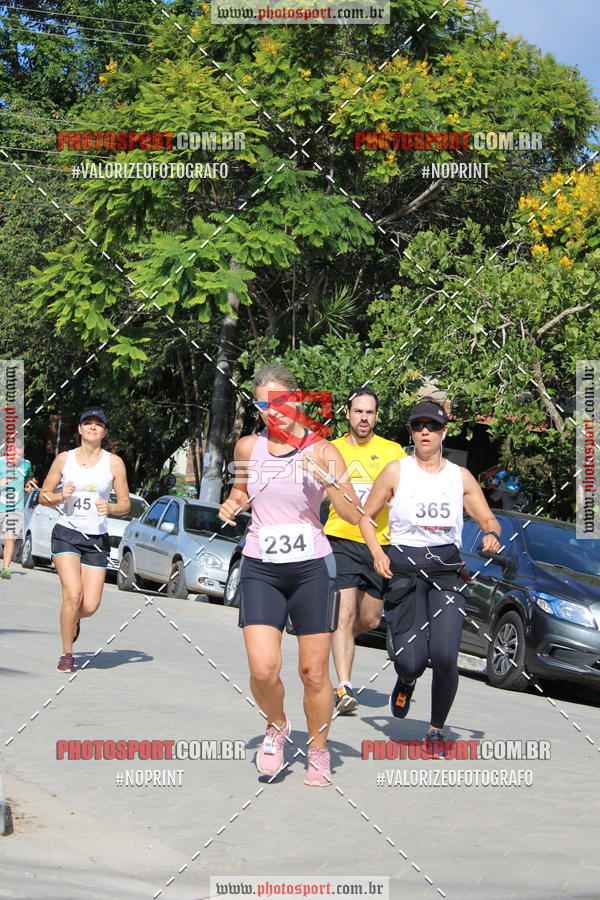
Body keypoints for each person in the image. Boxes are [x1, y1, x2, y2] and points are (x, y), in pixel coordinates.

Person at [218, 365, 360, 787]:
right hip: (261, 563)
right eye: (263, 404)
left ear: (297, 399)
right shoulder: (248, 447)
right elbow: (240, 492)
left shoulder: (324, 450)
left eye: (279, 402)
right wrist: (232, 505)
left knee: (313, 674)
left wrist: (329, 483)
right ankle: (277, 726)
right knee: (263, 669)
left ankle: (318, 749)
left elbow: (353, 515)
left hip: (311, 568)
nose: (271, 413)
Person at [359, 397, 501, 754]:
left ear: (444, 432)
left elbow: (488, 518)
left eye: (432, 426)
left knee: (443, 654)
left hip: (446, 572)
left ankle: (435, 730)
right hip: (405, 570)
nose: (425, 431)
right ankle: (406, 679)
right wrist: (377, 552)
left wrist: (491, 534)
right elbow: (365, 516)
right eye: (418, 425)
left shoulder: (460, 477)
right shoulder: (396, 471)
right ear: (411, 432)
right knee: (411, 659)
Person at [324, 387, 405, 714]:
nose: (363, 418)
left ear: (376, 416)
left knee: (369, 620)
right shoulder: (332, 449)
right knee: (343, 614)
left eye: (369, 412)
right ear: (347, 413)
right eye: (358, 411)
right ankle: (344, 687)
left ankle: (338, 638)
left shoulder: (392, 451)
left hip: (379, 545)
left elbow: (402, 496)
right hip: (340, 539)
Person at [39, 408, 130, 672]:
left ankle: (72, 621)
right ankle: (67, 654)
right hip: (66, 533)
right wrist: (60, 496)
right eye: (87, 423)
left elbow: (125, 504)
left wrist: (111, 508)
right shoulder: (63, 460)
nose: (92, 428)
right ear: (79, 429)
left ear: (104, 431)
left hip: (96, 539)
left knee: (89, 605)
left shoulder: (114, 463)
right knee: (73, 595)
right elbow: (44, 496)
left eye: (98, 424)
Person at [0, 440, 33, 578]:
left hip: (15, 508)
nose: (17, 457)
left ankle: (6, 569)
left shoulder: (26, 464)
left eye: (19, 454)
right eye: (14, 454)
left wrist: (28, 486)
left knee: (9, 538)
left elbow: (28, 479)